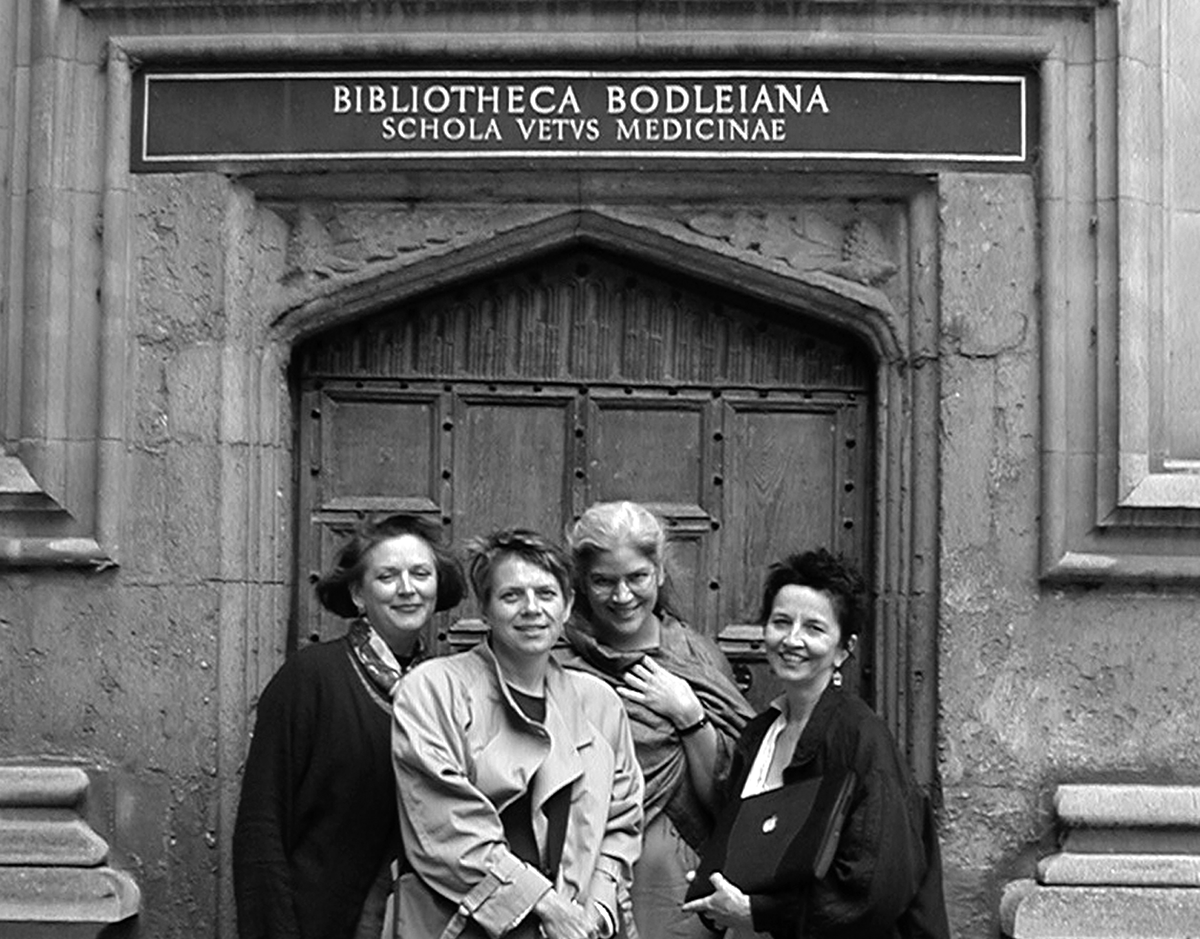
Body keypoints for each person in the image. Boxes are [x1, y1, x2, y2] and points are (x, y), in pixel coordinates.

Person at [681, 549, 950, 939]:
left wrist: (760, 914)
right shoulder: (760, 734)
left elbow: (876, 887)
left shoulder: (862, 738)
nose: (792, 640)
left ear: (844, 649)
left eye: (814, 628)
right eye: (781, 622)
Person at [391, 528, 644, 939]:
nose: (532, 609)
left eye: (546, 594)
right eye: (512, 596)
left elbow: (621, 819)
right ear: (486, 610)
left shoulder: (598, 702)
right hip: (468, 926)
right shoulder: (434, 689)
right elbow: (444, 821)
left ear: (567, 606)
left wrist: (595, 910)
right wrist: (544, 904)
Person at [232, 513, 466, 939]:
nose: (407, 589)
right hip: (320, 921)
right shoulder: (310, 678)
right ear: (359, 593)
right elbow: (261, 825)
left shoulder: (449, 689)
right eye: (387, 576)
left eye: (420, 574)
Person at [561, 501, 755, 939]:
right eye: (604, 581)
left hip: (676, 880)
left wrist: (689, 715)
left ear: (660, 573)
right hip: (580, 873)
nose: (623, 596)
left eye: (637, 578)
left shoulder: (696, 658)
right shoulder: (556, 658)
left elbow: (733, 792)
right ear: (582, 584)